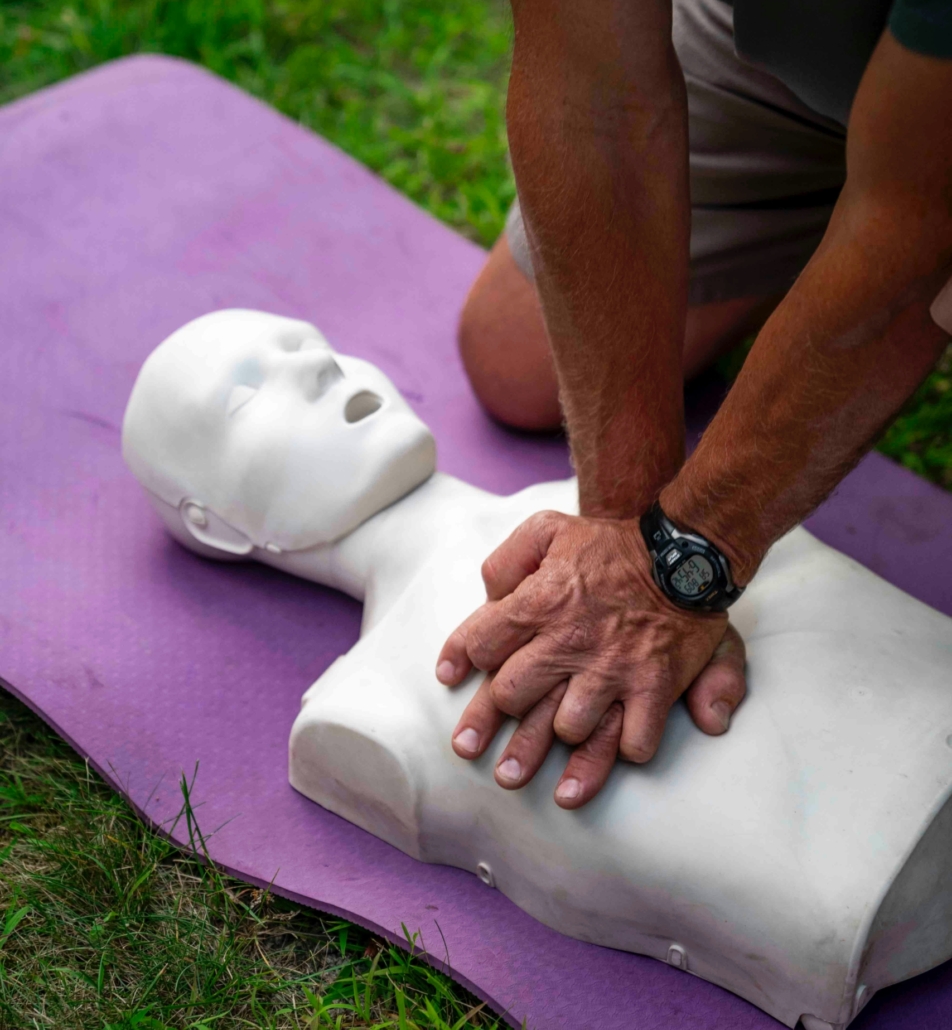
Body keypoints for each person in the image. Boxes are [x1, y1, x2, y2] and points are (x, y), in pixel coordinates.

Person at [121, 310, 952, 1029]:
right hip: (864, 895)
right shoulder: (362, 710)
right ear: (215, 523)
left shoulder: (661, 499)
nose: (316, 366)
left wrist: (670, 561)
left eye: (312, 345)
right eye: (246, 395)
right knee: (510, 343)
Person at [438, 0, 952, 808]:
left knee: (906, 220)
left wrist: (678, 572)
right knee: (515, 356)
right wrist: (624, 528)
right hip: (824, 49)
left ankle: (858, 212)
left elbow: (921, 223)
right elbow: (590, 89)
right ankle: (844, 199)